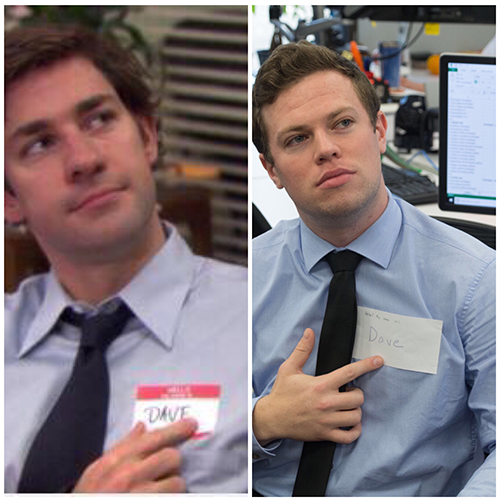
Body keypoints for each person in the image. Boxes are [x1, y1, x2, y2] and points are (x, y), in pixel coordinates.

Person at [5, 24, 247, 493]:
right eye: (39, 143)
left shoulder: (260, 320)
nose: (84, 159)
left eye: (97, 119)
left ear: (147, 135)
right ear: (8, 200)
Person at [252, 41, 495, 496]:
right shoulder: (244, 279)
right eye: (297, 139)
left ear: (379, 131)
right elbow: (185, 423)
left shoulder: (475, 280)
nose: (326, 149)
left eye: (342, 124)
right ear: (271, 169)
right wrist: (260, 421)